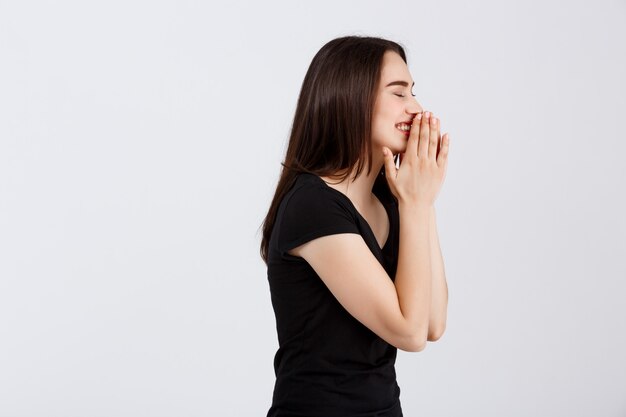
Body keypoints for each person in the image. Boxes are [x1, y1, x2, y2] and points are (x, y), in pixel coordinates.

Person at [259, 35, 450, 417]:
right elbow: (409, 333)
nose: (416, 108)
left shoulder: (391, 199)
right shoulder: (312, 205)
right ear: (352, 98)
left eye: (413, 92)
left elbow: (432, 323)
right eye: (399, 93)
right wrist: (416, 203)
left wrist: (420, 201)